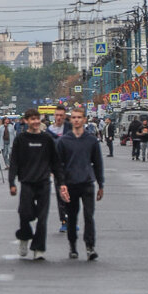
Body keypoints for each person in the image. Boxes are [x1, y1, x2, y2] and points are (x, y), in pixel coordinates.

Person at [9, 108, 65, 260]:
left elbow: (55, 162)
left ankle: (39, 248)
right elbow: (14, 162)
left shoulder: (47, 139)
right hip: (26, 182)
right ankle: (25, 236)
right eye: (31, 119)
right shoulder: (21, 139)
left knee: (42, 217)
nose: (35, 122)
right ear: (26, 121)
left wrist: (62, 183)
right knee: (24, 213)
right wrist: (11, 182)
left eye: (37, 119)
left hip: (43, 182)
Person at [57, 107, 105, 261]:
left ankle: (90, 246)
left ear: (84, 120)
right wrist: (61, 184)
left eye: (79, 117)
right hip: (71, 183)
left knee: (89, 215)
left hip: (87, 183)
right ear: (71, 120)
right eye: (74, 118)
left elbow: (97, 163)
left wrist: (101, 184)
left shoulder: (91, 140)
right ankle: (72, 246)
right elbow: (59, 165)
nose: (77, 120)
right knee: (72, 216)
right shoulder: (64, 141)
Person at [46, 105, 70, 232]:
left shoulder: (70, 128)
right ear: (54, 116)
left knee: (72, 195)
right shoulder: (49, 132)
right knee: (61, 194)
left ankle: (71, 218)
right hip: (57, 168)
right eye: (57, 115)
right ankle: (64, 221)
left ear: (65, 116)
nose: (59, 117)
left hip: (71, 167)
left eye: (61, 115)